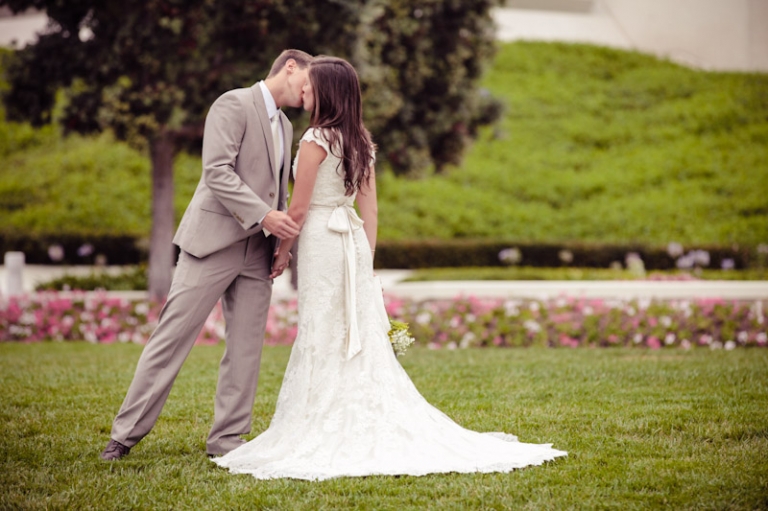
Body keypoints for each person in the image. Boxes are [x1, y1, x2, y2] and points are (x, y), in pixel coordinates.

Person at [211, 56, 567, 480]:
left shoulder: (313, 140)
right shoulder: (360, 139)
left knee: (323, 329)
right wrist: (366, 260)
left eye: (311, 87)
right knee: (354, 332)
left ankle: (320, 421)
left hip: (324, 242)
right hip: (354, 242)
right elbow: (371, 208)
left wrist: (283, 251)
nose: (303, 92)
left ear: (326, 91)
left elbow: (300, 208)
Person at [100, 49, 314, 461]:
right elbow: (217, 171)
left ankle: (228, 441)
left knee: (246, 349)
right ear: (290, 66)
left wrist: (281, 245)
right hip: (211, 243)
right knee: (172, 338)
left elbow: (280, 192)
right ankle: (124, 436)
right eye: (308, 79)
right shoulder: (233, 103)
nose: (310, 90)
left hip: (258, 252)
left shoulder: (287, 127)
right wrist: (266, 216)